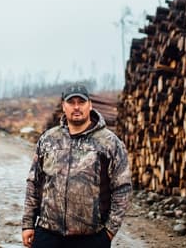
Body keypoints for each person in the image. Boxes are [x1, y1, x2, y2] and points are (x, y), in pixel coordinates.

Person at [21, 84, 132, 248]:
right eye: (71, 102)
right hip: (48, 234)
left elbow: (123, 188)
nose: (76, 107)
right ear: (63, 106)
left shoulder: (109, 143)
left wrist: (109, 231)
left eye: (81, 102)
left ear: (90, 105)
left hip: (90, 238)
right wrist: (28, 224)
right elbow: (34, 182)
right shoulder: (48, 139)